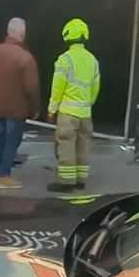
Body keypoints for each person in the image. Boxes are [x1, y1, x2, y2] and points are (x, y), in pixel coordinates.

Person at [0, 17, 40, 190]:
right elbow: (32, 88)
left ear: (8, 32)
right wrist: (36, 108)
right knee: (11, 141)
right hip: (17, 109)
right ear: (22, 34)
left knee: (1, 137)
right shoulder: (25, 58)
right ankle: (4, 176)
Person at [47, 18, 101, 193]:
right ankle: (80, 180)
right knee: (83, 144)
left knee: (66, 145)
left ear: (67, 35)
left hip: (68, 113)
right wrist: (88, 104)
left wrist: (52, 110)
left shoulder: (65, 60)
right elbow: (95, 87)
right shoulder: (93, 60)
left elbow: (57, 88)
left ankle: (66, 182)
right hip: (86, 112)